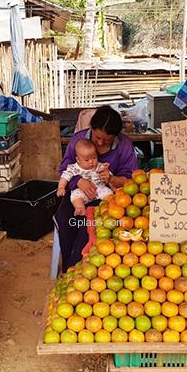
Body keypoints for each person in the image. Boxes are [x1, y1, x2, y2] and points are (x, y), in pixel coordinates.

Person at [53, 105, 137, 272]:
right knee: (66, 219)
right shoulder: (78, 140)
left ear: (116, 136)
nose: (100, 143)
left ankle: (82, 268)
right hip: (77, 193)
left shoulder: (124, 145)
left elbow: (130, 179)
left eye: (107, 140)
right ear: (91, 128)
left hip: (106, 195)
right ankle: (70, 269)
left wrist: (111, 179)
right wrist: (78, 181)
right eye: (97, 137)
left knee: (90, 225)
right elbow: (64, 169)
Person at [57, 139, 113, 216]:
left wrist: (106, 171)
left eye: (94, 158)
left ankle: (111, 206)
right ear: (78, 160)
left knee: (109, 193)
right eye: (87, 160)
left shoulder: (99, 166)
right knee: (76, 196)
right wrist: (61, 187)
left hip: (98, 189)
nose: (91, 162)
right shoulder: (74, 168)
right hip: (82, 191)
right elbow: (64, 177)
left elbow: (108, 177)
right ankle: (80, 208)